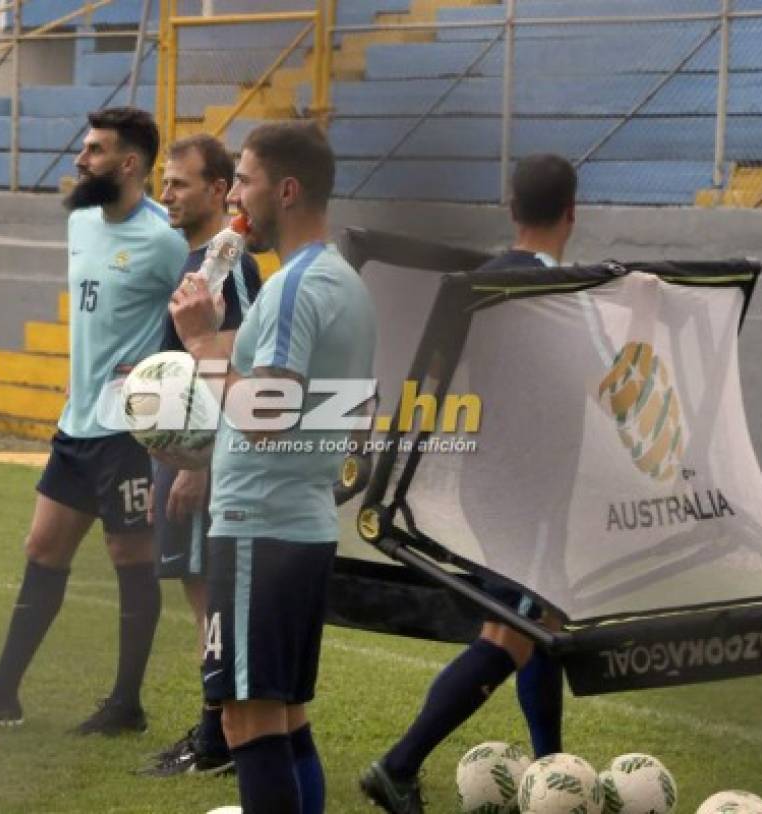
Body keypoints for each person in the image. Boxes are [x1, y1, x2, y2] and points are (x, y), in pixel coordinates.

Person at [0, 107, 189, 735]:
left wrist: (158, 371)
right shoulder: (82, 222)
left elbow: (199, 320)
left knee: (129, 555)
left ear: (129, 164)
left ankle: (126, 705)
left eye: (94, 150)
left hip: (128, 429)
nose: (79, 159)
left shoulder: (164, 240)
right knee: (43, 547)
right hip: (77, 422)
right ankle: (1, 693)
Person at [359, 154, 579, 814]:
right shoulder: (563, 292)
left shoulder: (478, 282)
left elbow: (432, 373)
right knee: (510, 633)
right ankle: (398, 764)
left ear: (510, 208)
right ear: (573, 213)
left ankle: (550, 769)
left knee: (540, 620)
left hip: (483, 482)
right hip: (526, 491)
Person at [169, 121, 377, 814]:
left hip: (260, 525)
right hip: (301, 522)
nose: (235, 199)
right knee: (284, 719)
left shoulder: (293, 287)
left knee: (247, 723)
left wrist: (200, 342)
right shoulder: (342, 280)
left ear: (286, 191)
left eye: (245, 182)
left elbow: (267, 411)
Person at [141, 133, 263, 777]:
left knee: (210, 606)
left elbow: (234, 360)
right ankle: (219, 732)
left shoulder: (227, 263)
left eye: (180, 183)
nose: (166, 193)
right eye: (164, 182)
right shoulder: (199, 259)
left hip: (201, 459)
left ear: (219, 189)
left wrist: (200, 463)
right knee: (201, 600)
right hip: (180, 454)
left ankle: (218, 741)